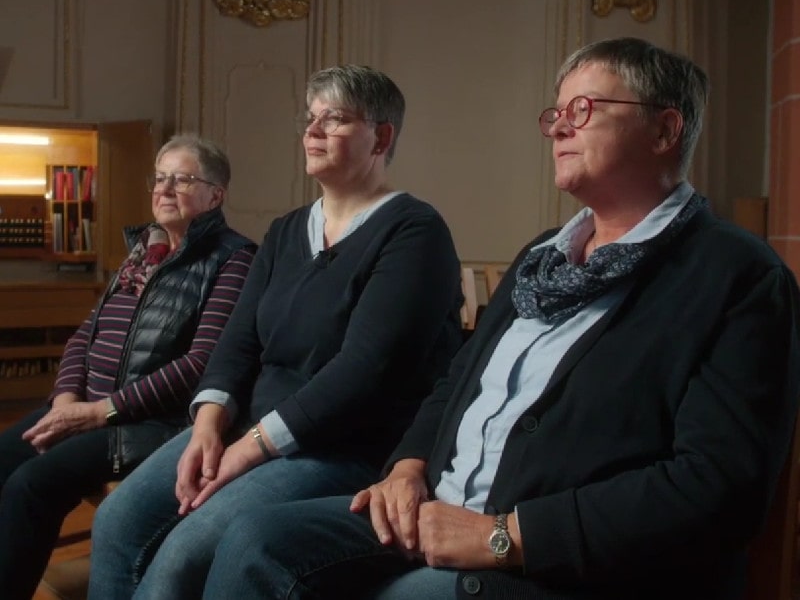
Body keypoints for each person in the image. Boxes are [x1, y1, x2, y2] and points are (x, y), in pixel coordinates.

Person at [194, 37, 800, 600]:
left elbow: (716, 487)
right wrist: (406, 468)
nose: (559, 125)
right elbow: (455, 384)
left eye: (583, 108)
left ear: (666, 128)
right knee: (254, 544)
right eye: (557, 112)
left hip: (563, 556)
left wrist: (504, 535)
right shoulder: (544, 254)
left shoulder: (737, 277)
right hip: (438, 508)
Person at [88, 64, 465, 599]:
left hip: (339, 448)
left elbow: (366, 371)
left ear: (381, 136)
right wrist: (208, 426)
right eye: (310, 118)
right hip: (247, 431)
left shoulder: (413, 231)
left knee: (186, 550)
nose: (311, 131)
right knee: (117, 519)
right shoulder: (287, 230)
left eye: (332, 118)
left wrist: (250, 449)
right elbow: (237, 343)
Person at [0, 134, 255, 600]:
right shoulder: (144, 253)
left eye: (182, 179)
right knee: (2, 457)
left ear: (215, 195)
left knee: (31, 486)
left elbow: (200, 365)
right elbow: (86, 334)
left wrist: (100, 413)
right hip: (86, 406)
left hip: (149, 423)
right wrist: (66, 401)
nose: (164, 189)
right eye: (160, 178)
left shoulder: (234, 259)